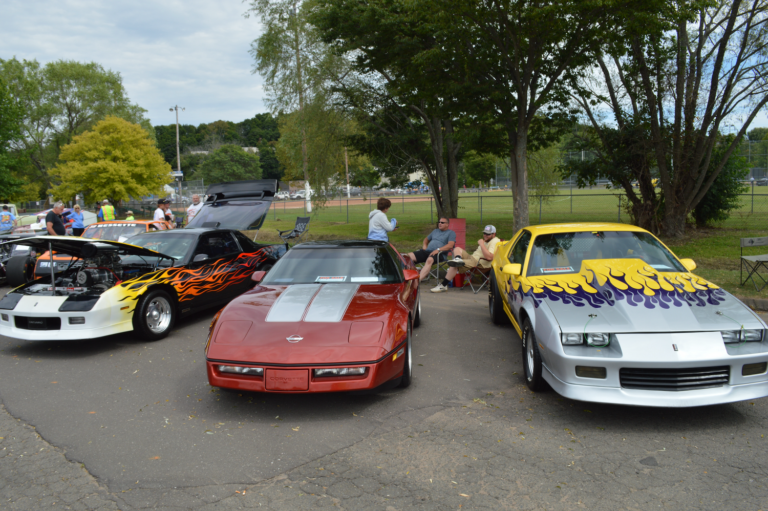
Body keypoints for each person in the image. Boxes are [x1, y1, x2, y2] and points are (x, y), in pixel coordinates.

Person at [431, 225, 500, 293]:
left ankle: (443, 285)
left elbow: (489, 257)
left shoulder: (495, 241)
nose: (485, 235)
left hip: (478, 263)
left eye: (488, 234)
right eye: (484, 233)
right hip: (472, 258)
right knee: (457, 249)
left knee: (455, 264)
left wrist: (481, 244)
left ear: (494, 234)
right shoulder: (487, 240)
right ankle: (458, 259)